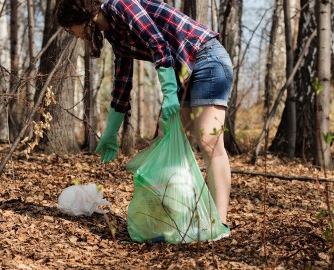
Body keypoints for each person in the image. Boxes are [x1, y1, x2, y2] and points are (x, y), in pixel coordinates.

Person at [56, 0, 233, 227]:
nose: (75, 35)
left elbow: (157, 43)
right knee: (172, 143)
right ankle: (178, 220)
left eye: (71, 29)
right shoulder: (114, 33)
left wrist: (169, 93)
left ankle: (219, 222)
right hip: (184, 70)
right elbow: (122, 83)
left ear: (80, 17)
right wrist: (111, 133)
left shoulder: (122, 5)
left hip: (207, 58)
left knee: (209, 141)